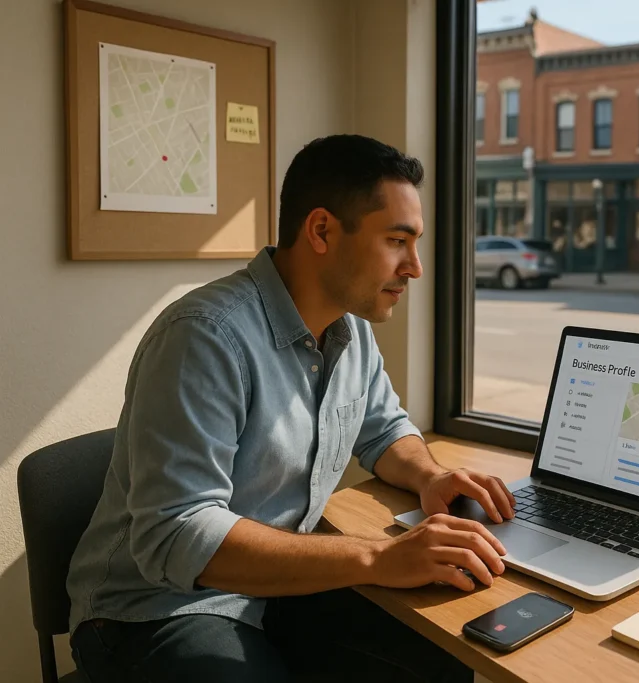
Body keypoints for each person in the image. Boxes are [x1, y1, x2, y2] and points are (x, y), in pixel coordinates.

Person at [66, 134, 517, 682]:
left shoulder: (349, 328)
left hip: (275, 590)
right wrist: (376, 558)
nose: (415, 267)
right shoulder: (204, 337)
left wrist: (429, 476)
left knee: (439, 657)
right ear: (322, 230)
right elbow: (178, 534)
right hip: (153, 611)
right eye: (397, 241)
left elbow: (383, 429)